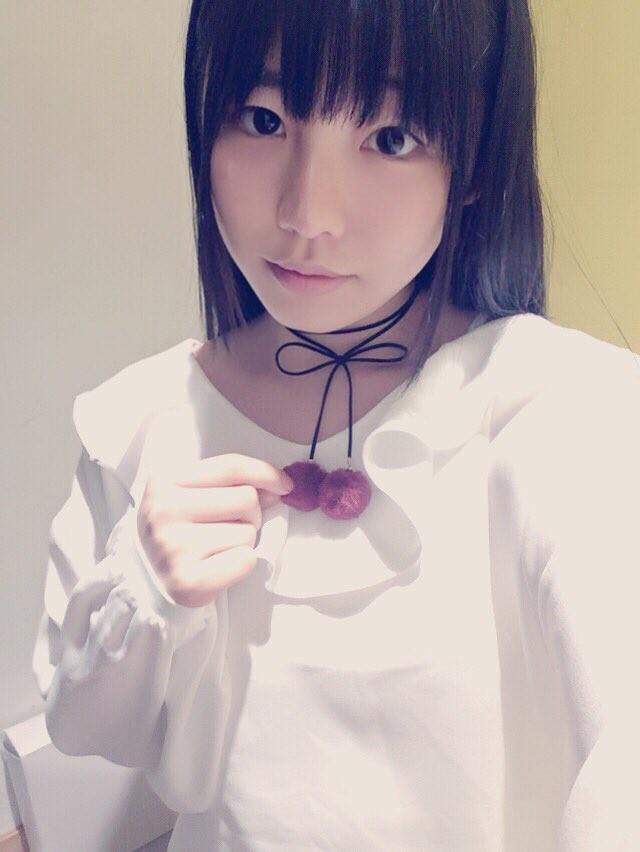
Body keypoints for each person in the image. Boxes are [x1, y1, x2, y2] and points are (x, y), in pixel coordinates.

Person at [32, 1, 640, 850]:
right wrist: (144, 589)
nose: (307, 213)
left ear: (473, 162)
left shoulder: (559, 409)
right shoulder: (140, 420)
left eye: (390, 137)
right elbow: (84, 729)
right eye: (263, 118)